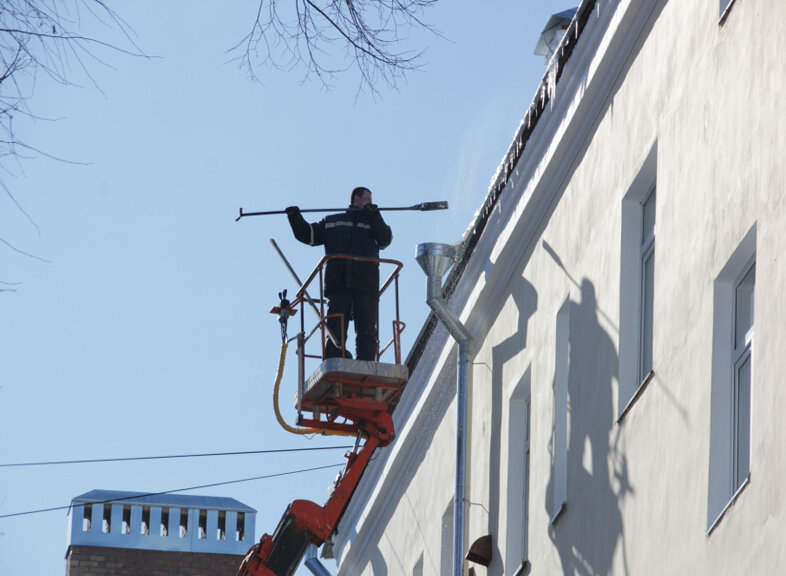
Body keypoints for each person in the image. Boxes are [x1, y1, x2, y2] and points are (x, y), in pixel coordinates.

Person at [286, 187, 392, 361]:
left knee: (366, 326)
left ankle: (366, 360)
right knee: (336, 323)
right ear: (355, 199)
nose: (371, 204)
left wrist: (375, 215)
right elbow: (309, 235)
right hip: (340, 281)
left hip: (365, 283)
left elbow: (385, 240)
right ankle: (334, 355)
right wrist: (295, 217)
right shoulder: (333, 221)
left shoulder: (373, 223)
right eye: (367, 199)